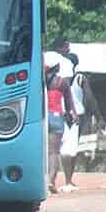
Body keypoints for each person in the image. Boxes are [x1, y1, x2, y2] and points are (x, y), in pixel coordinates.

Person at [44, 41, 76, 194]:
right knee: (53, 152)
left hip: (42, 118)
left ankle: (42, 181)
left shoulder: (40, 82)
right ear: (57, 67)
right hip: (57, 117)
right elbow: (69, 102)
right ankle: (51, 181)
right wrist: (73, 114)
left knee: (42, 151)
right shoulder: (61, 82)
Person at [59, 53, 85, 192]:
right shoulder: (75, 79)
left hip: (66, 114)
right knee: (70, 149)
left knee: (68, 149)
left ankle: (68, 179)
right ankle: (68, 179)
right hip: (74, 115)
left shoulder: (59, 79)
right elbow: (89, 98)